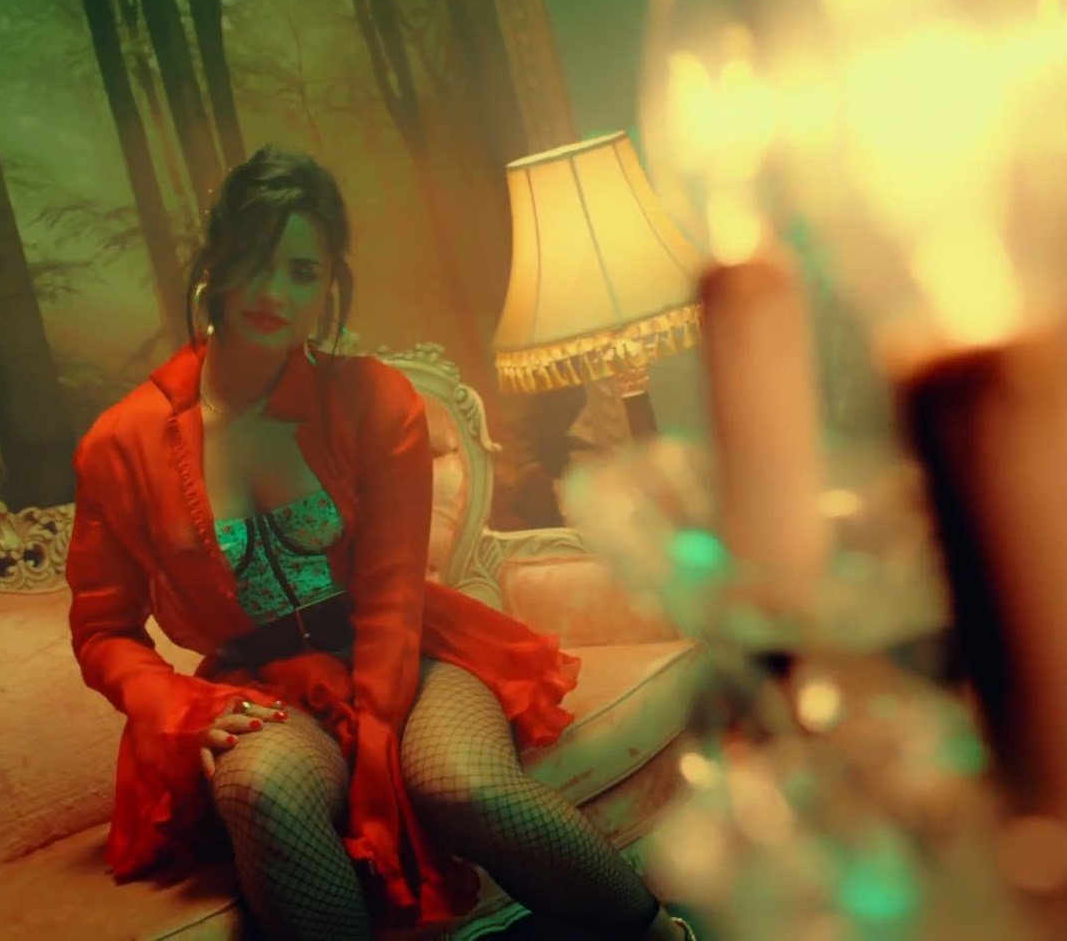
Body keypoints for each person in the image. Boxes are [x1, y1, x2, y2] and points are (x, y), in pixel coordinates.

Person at [66, 148, 694, 940]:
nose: (273, 293)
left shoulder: (371, 398)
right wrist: (178, 707)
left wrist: (375, 752)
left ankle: (662, 934)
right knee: (261, 792)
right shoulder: (120, 442)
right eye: (254, 262)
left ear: (330, 284)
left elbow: (394, 595)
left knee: (462, 783)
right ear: (215, 263)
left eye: (302, 272)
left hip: (411, 651)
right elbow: (102, 630)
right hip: (260, 687)